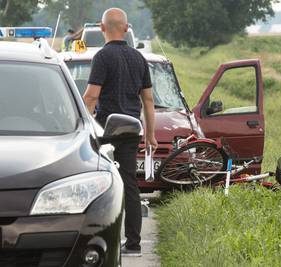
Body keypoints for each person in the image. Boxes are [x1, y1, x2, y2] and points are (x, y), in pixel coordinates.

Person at [83, 7, 157, 257]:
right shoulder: (139, 58)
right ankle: (134, 244)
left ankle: (97, 242)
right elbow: (148, 100)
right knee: (130, 185)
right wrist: (150, 134)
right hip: (132, 131)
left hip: (105, 132)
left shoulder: (102, 57)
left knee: (98, 184)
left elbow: (92, 96)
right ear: (126, 29)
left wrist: (80, 123)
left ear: (102, 28)